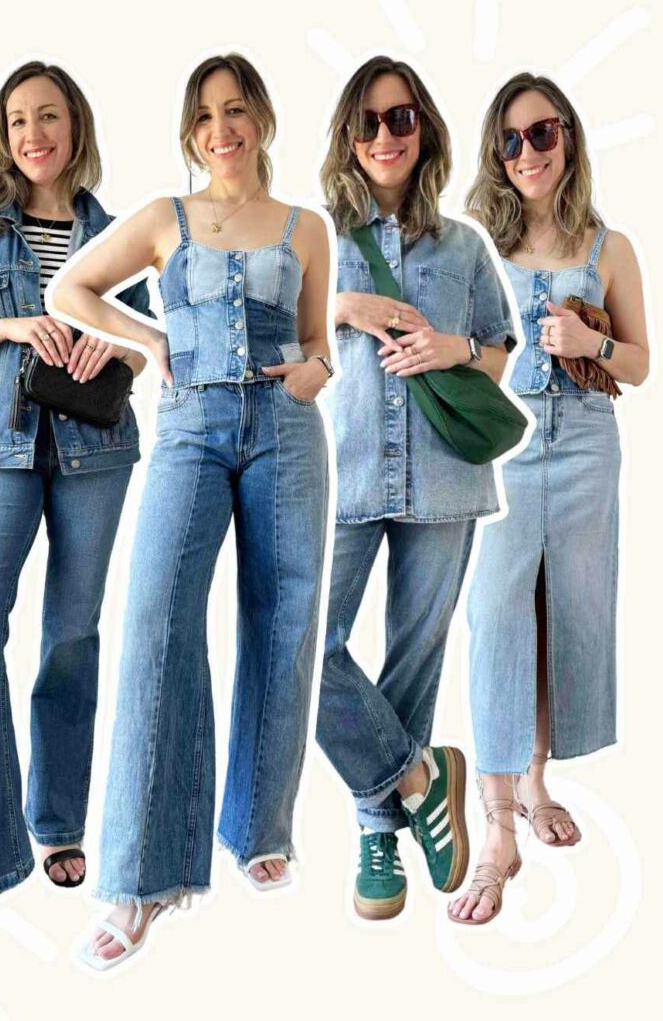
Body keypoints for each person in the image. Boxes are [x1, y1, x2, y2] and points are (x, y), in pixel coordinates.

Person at [53, 53, 331, 968]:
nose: (224, 128)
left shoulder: (305, 227)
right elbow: (71, 290)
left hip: (285, 428)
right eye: (208, 114)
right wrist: (150, 338)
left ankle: (257, 827)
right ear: (189, 131)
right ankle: (140, 879)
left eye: (239, 109)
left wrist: (314, 372)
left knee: (282, 619)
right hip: (191, 427)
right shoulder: (163, 220)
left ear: (262, 121)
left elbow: (322, 345)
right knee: (157, 619)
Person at [0, 61, 150, 947]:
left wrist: (109, 352)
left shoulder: (118, 233)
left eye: (48, 116)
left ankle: (58, 821)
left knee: (72, 634)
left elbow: (151, 340)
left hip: (94, 451)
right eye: (17, 120)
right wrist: (12, 328)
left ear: (75, 126)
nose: (32, 133)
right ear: (2, 137)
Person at [313, 56, 515, 922]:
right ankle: (417, 778)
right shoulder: (312, 236)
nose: (385, 136)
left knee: (412, 661)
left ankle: (375, 834)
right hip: (342, 470)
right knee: (300, 650)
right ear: (347, 139)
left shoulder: (463, 242)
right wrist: (347, 309)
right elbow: (270, 327)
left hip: (443, 473)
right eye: (368, 123)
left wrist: (451, 349)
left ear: (422, 128)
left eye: (400, 119)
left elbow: (503, 348)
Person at [450, 73, 649, 926]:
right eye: (509, 141)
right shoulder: (475, 248)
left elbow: (639, 364)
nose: (526, 153)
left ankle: (533, 780)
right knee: (496, 618)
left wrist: (591, 337)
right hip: (503, 454)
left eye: (541, 135)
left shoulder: (612, 248)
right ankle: (497, 829)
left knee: (559, 617)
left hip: (585, 454)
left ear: (566, 138)